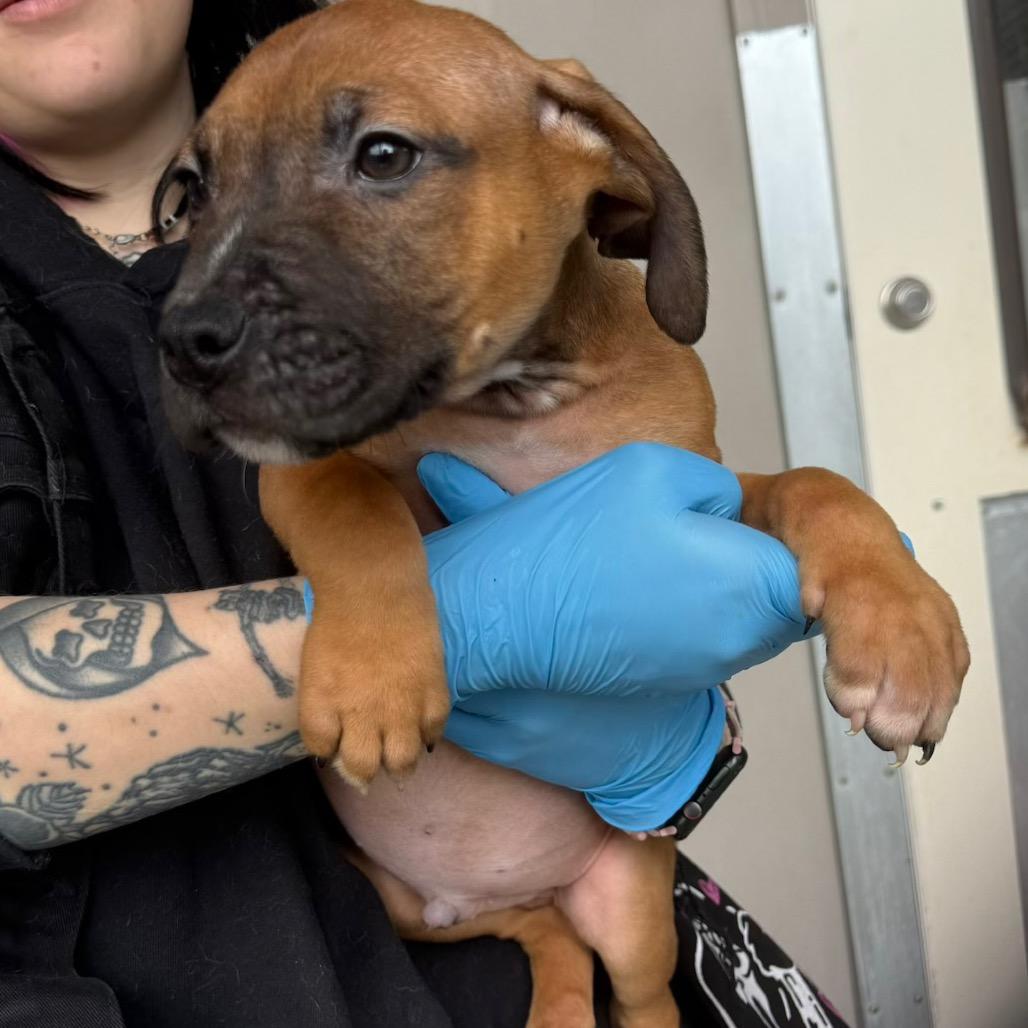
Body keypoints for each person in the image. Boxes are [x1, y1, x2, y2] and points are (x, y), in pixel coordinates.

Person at [0, 1, 849, 1026]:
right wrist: (451, 618)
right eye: (203, 192)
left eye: (382, 157)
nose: (200, 312)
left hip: (552, 918)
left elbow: (670, 547)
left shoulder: (400, 64)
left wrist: (681, 738)